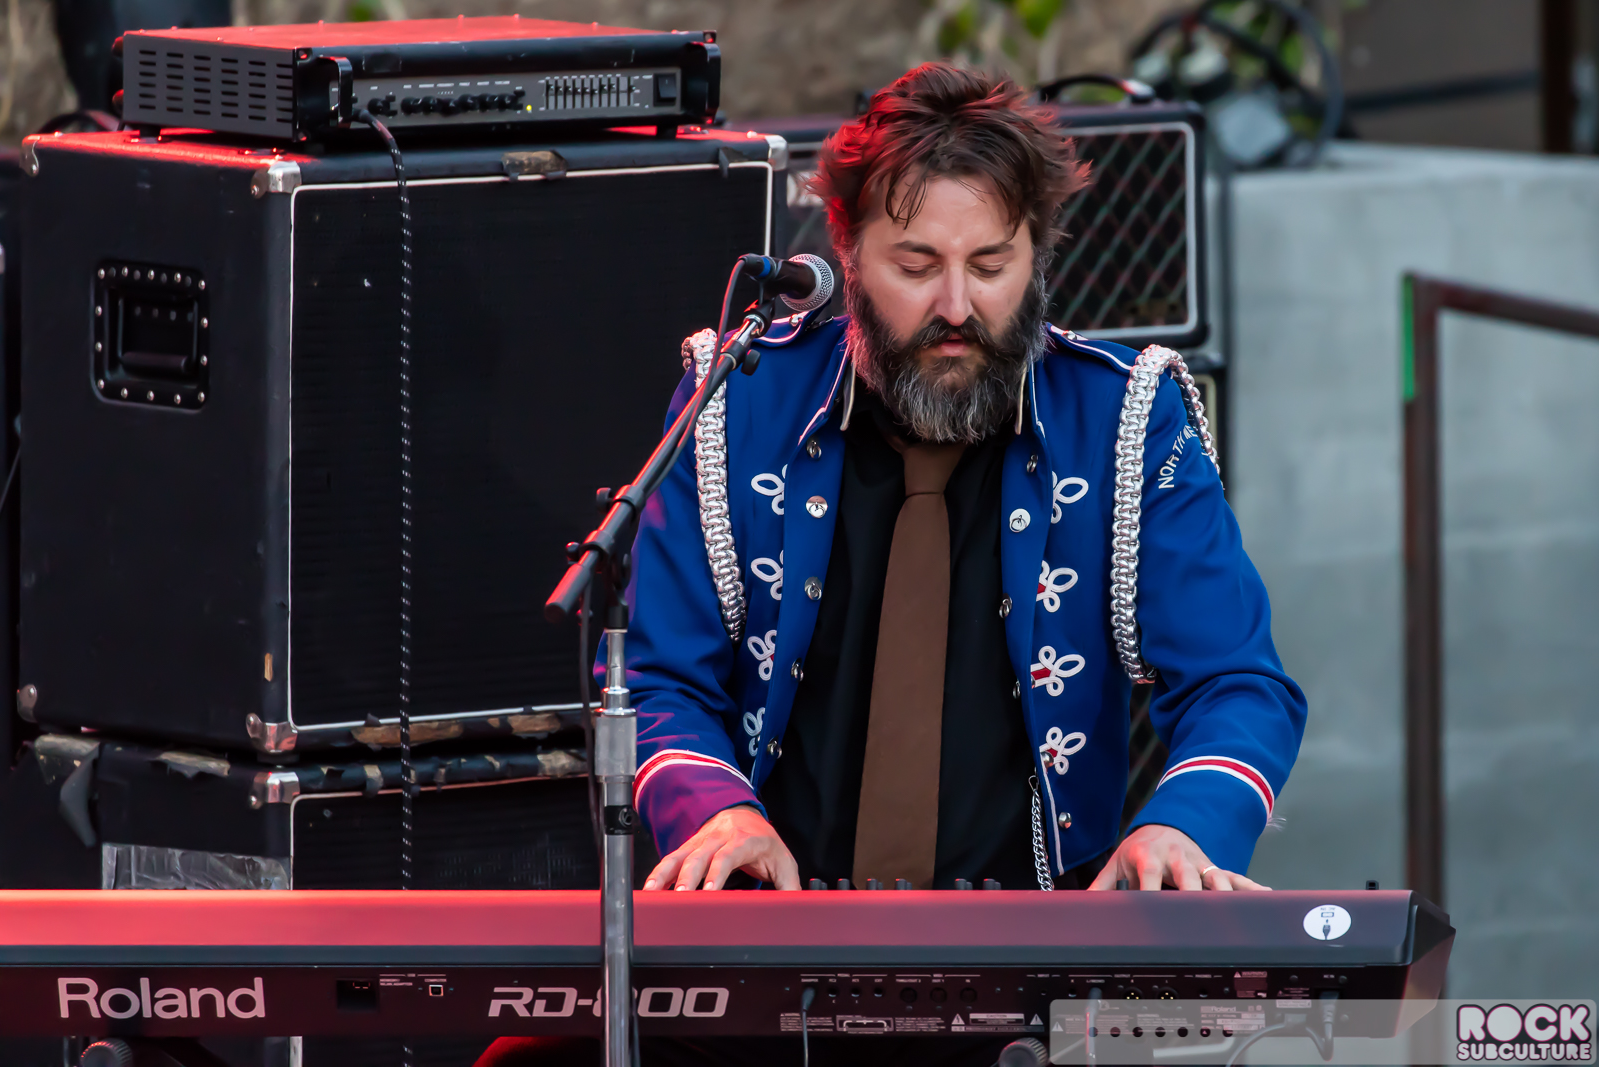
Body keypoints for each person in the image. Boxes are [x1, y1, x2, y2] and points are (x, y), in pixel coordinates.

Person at [476, 61, 1305, 1067]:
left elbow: (1237, 682)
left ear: (1036, 254)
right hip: (763, 951)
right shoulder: (738, 400)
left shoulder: (1126, 417)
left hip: (1033, 982)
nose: (957, 305)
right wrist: (718, 810)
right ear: (848, 254)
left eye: (991, 264)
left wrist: (1183, 825)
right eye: (916, 265)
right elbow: (660, 677)